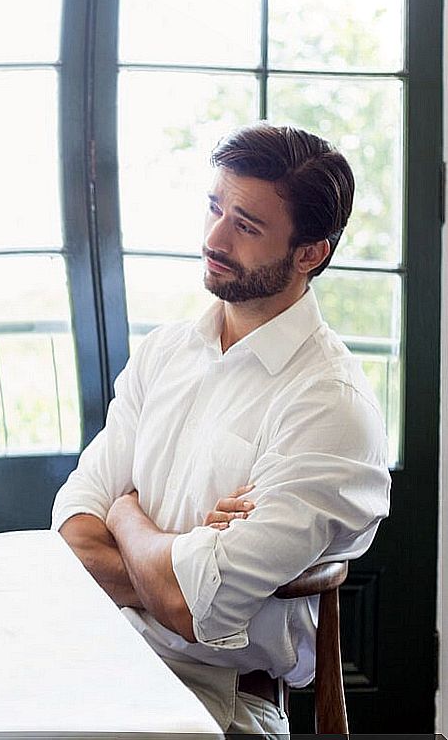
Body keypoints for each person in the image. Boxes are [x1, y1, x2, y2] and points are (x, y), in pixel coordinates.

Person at [51, 123, 391, 736]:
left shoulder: (330, 408)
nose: (214, 237)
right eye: (215, 208)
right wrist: (176, 558)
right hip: (98, 660)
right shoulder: (165, 352)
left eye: (247, 225)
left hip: (218, 701)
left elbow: (188, 608)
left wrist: (127, 516)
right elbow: (71, 535)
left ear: (310, 253)